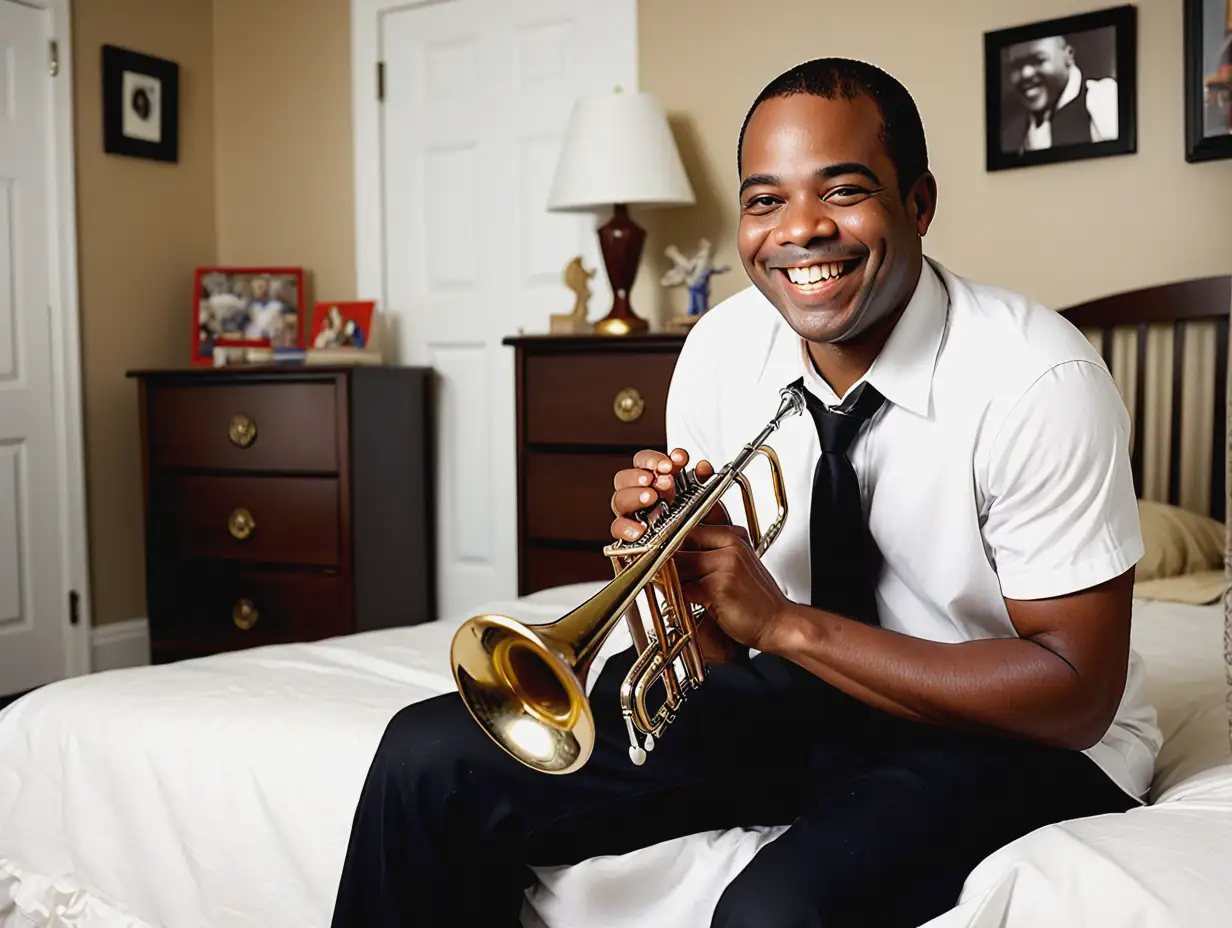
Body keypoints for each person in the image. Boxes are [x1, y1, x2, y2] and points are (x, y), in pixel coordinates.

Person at [330, 57, 1158, 927]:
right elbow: (717, 666)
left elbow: (1076, 695)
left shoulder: (1039, 377)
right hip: (809, 694)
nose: (800, 229)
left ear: (918, 204)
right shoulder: (724, 347)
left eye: (842, 191)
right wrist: (678, 580)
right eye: (765, 201)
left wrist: (785, 624)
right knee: (428, 758)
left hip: (1011, 734)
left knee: (771, 912)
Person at [1002, 35, 1119, 153]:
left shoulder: (1103, 99)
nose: (1026, 73)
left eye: (1038, 60)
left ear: (1069, 56)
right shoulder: (1008, 122)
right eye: (1016, 66)